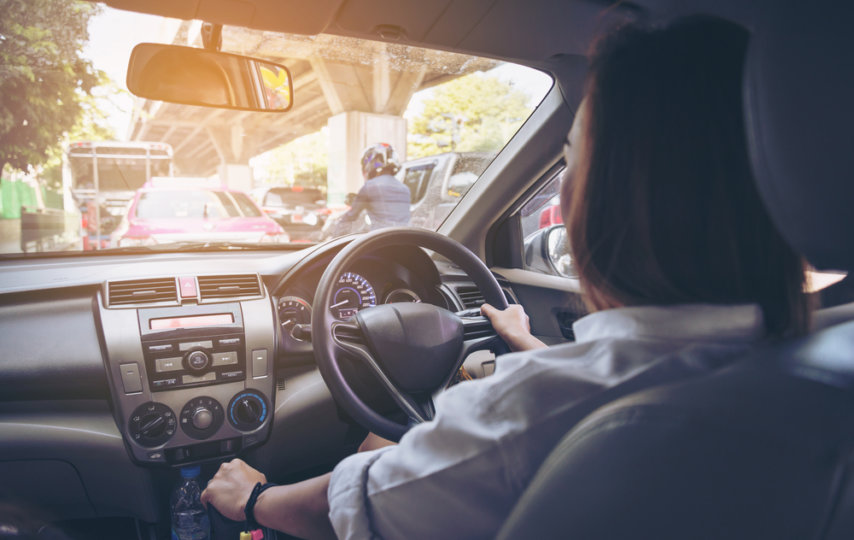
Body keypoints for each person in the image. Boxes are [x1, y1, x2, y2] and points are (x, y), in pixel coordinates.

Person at [201, 17, 808, 539]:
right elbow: (638, 371)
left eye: (572, 156)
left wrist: (252, 497)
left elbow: (348, 511)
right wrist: (525, 343)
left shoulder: (533, 410)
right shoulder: (821, 361)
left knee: (372, 445)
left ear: (600, 198)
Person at [336, 143, 411, 231]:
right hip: (406, 240)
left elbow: (351, 216)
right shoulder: (405, 189)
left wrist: (336, 234)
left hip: (381, 241)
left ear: (371, 163)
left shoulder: (370, 187)